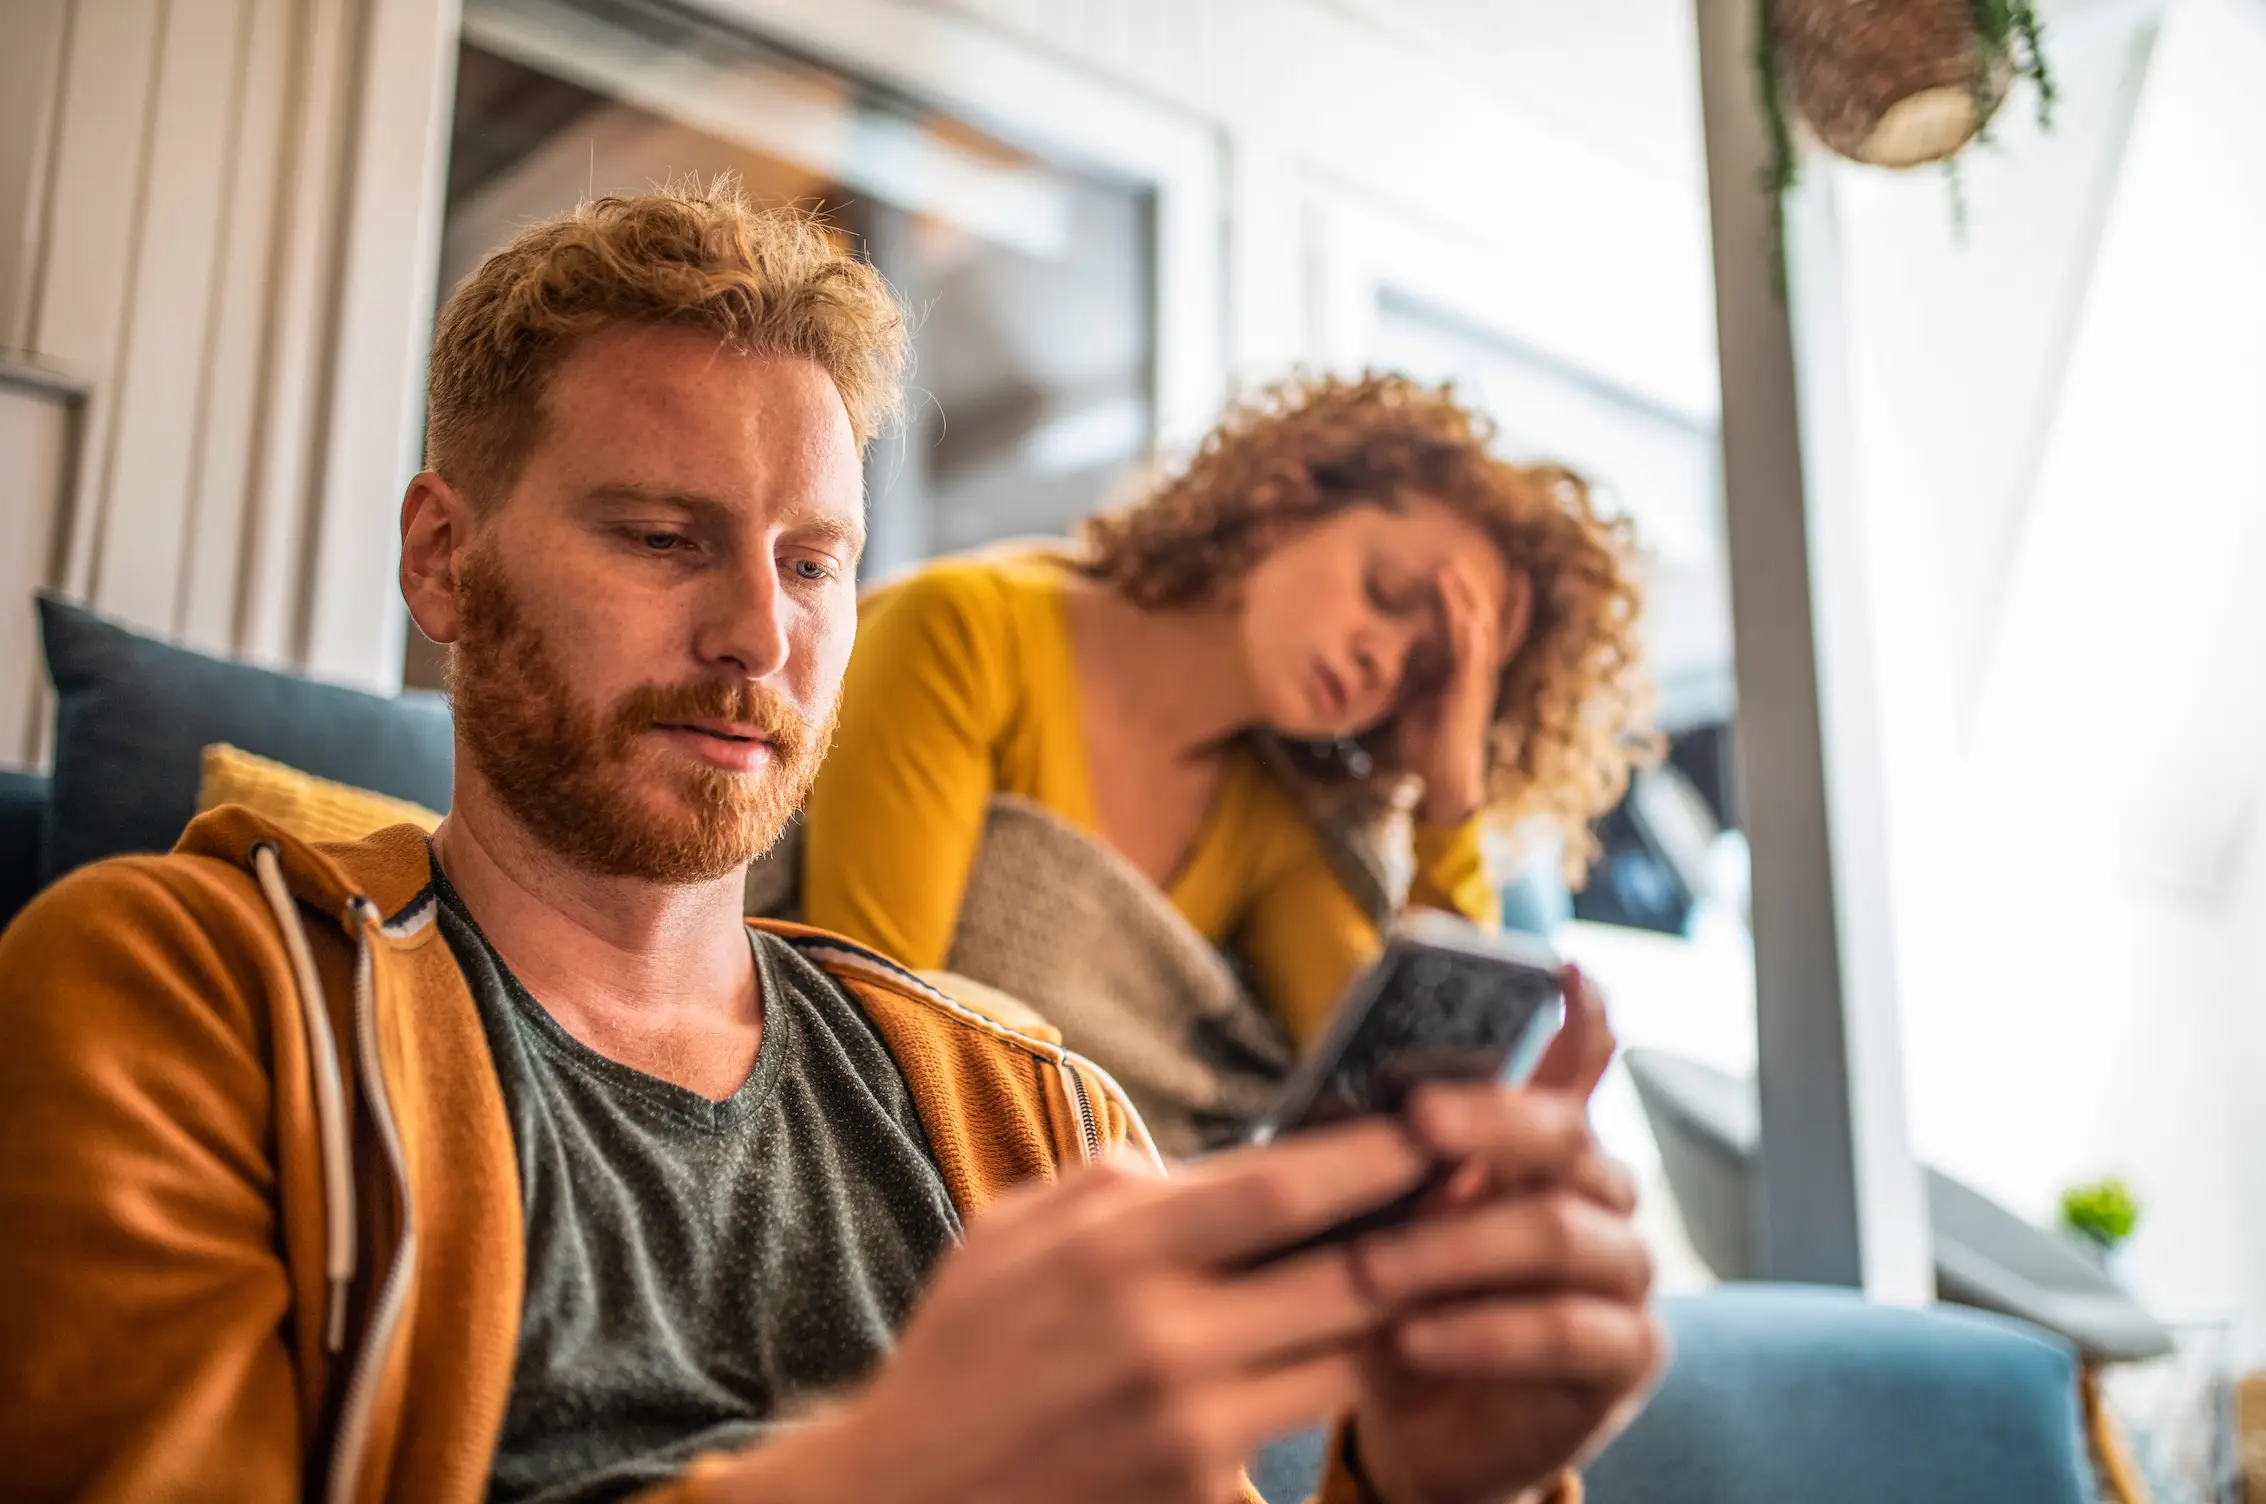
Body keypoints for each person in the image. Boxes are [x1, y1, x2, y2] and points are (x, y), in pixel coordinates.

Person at [0, 184, 1660, 1504]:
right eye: (664, 537)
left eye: (811, 564)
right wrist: (894, 1468)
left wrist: (1433, 1480)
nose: (757, 633)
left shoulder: (1039, 1109)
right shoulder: (186, 988)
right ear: (443, 558)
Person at [796, 372, 1652, 1136]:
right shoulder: (964, 632)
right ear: (1284, 505)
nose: (1383, 661)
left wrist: (1449, 803)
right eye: (1386, 593)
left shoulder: (1274, 815)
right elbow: (862, 1041)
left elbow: (1409, 1102)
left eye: (1423, 673)